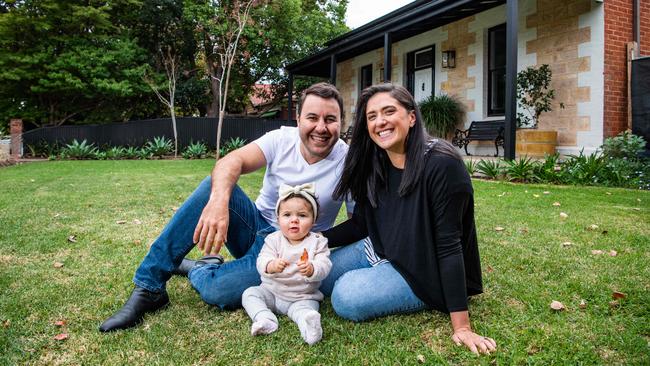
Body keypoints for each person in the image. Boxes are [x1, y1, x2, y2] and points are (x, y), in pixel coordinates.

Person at [99, 82, 353, 332]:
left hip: (293, 252)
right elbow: (232, 161)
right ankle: (149, 287)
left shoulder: (350, 162)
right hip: (255, 228)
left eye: (330, 119)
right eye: (312, 117)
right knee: (215, 185)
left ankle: (199, 267)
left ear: (341, 122)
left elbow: (357, 223)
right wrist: (218, 202)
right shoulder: (280, 139)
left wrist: (316, 248)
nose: (321, 127)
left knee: (215, 290)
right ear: (298, 119)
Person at [319, 83, 497, 355]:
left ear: (411, 117)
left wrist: (461, 326)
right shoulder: (375, 160)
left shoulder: (442, 164)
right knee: (320, 277)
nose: (381, 122)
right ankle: (378, 269)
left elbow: (449, 246)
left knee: (345, 297)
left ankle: (389, 279)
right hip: (382, 249)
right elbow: (361, 224)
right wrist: (316, 239)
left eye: (389, 111)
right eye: (372, 116)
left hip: (425, 271)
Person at [242, 183, 331, 345]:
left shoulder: (318, 242)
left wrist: (312, 269)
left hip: (302, 296)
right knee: (250, 294)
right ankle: (265, 318)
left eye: (302, 215)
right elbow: (262, 259)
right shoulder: (273, 239)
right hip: (271, 292)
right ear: (278, 218)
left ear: (314, 220)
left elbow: (325, 265)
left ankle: (310, 329)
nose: (294, 220)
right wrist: (270, 265)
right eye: (287, 215)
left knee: (306, 311)